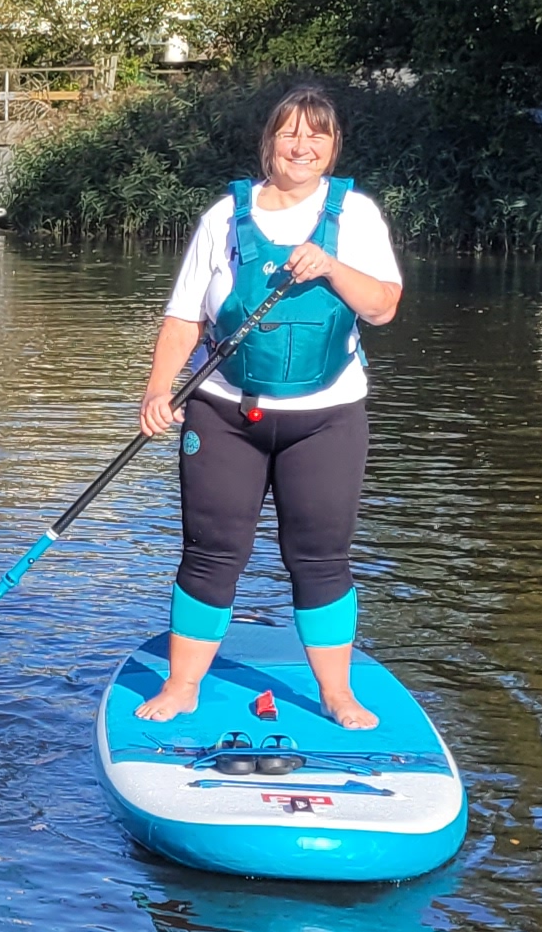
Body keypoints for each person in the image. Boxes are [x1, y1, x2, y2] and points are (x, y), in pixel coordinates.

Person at [132, 84, 403, 728]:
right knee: (210, 550)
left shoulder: (356, 214)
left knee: (320, 554)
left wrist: (331, 266)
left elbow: (384, 306)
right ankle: (182, 686)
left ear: (333, 148)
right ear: (269, 144)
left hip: (327, 418)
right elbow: (182, 320)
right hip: (225, 413)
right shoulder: (223, 218)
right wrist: (156, 390)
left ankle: (337, 694)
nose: (302, 147)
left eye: (317, 136)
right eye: (290, 134)